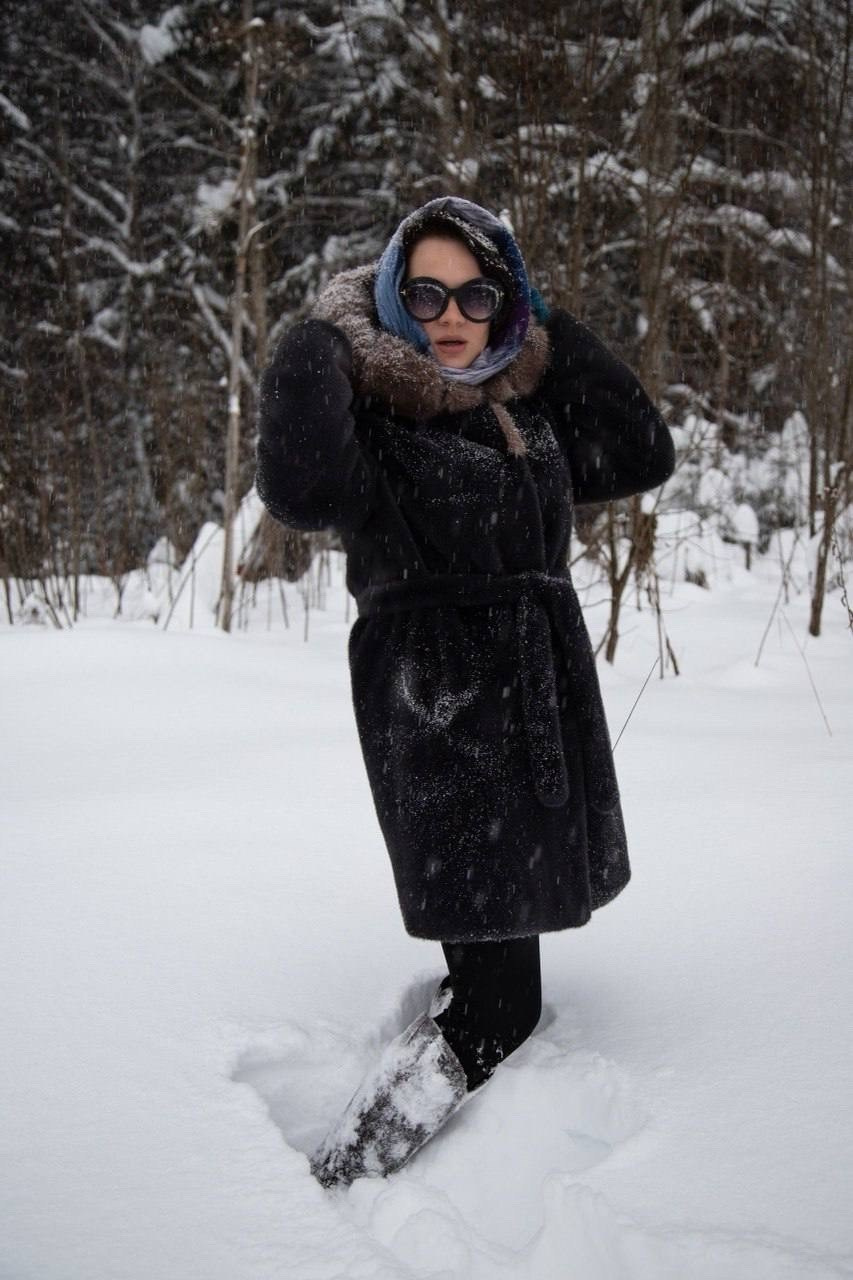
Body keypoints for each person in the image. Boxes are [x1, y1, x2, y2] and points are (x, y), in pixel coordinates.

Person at [255, 196, 675, 1188]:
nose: (451, 313)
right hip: (442, 715)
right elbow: (301, 487)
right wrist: (322, 336)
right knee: (501, 1003)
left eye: (476, 293)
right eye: (426, 292)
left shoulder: (516, 408)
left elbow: (642, 448)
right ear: (393, 301)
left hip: (534, 701)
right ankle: (343, 1175)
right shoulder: (373, 416)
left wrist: (541, 330)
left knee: (491, 957)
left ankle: (389, 1124)